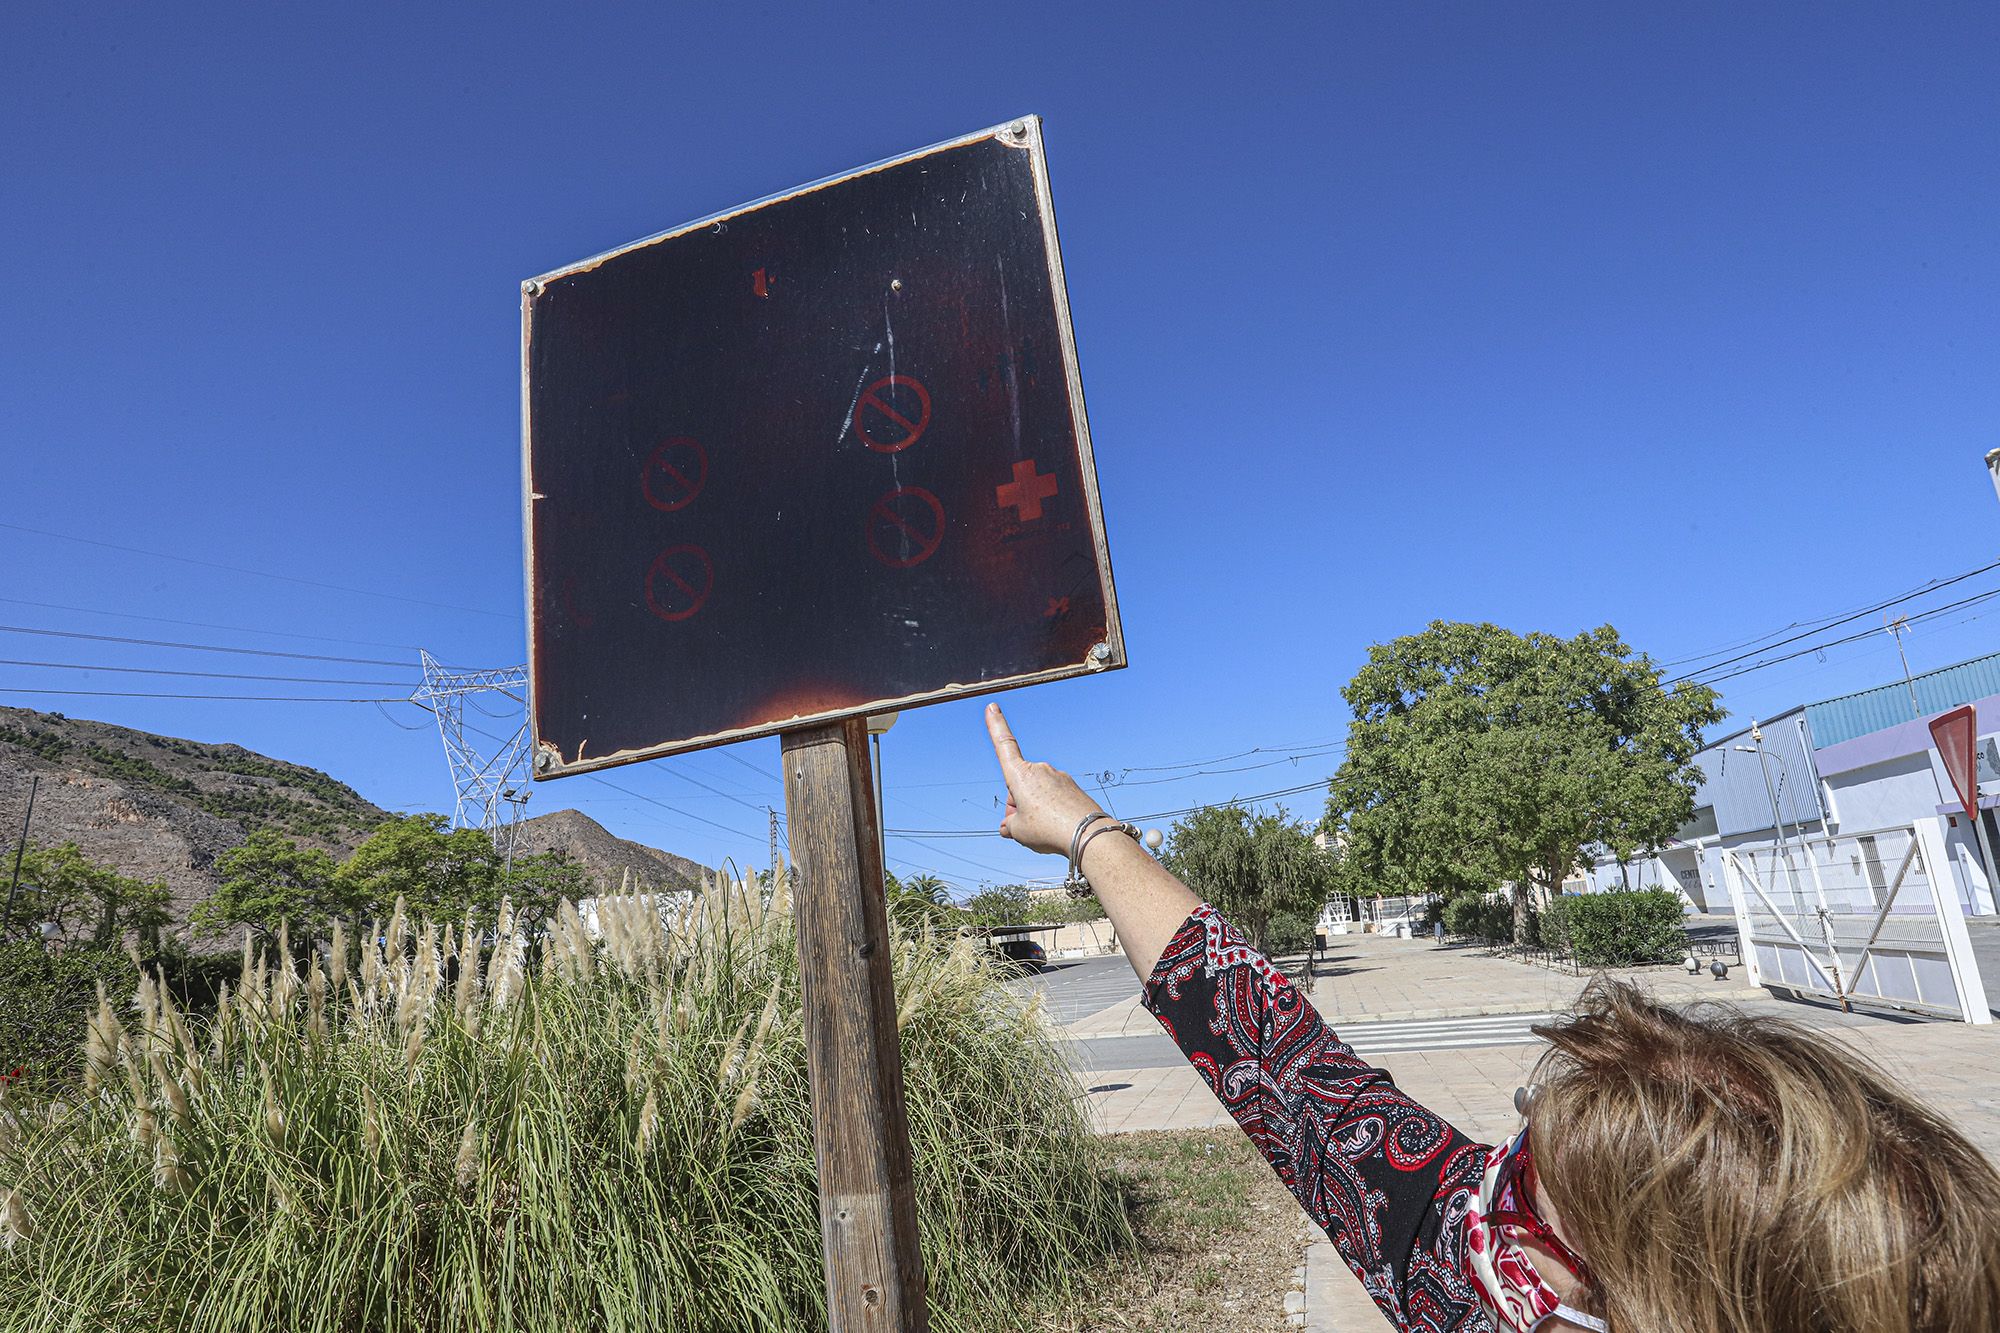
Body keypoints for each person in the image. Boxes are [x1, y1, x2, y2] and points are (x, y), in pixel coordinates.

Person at [982, 704, 2000, 1332]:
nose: (1472, 1215)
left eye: (1517, 1237)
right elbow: (1290, 1070)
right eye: (1511, 1164)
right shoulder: (1474, 1271)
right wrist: (1088, 831)